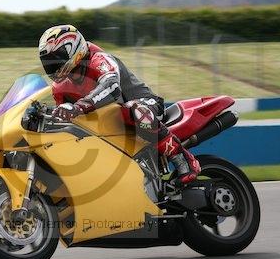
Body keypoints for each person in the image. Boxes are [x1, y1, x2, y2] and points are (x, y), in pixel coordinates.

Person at [38, 24, 200, 186]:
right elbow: (65, 121)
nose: (54, 66)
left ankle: (182, 157)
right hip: (110, 124)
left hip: (146, 105)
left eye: (57, 58)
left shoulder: (99, 59)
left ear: (73, 49)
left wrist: (78, 107)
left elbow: (112, 87)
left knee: (133, 109)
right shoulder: (59, 88)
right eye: (49, 62)